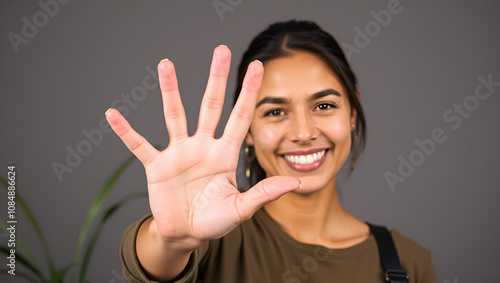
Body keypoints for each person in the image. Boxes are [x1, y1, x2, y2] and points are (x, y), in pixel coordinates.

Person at [106, 20, 437, 283]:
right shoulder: (212, 237)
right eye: (275, 112)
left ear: (352, 112)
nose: (304, 133)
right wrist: (173, 242)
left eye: (324, 105)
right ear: (246, 129)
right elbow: (155, 264)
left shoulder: (408, 262)